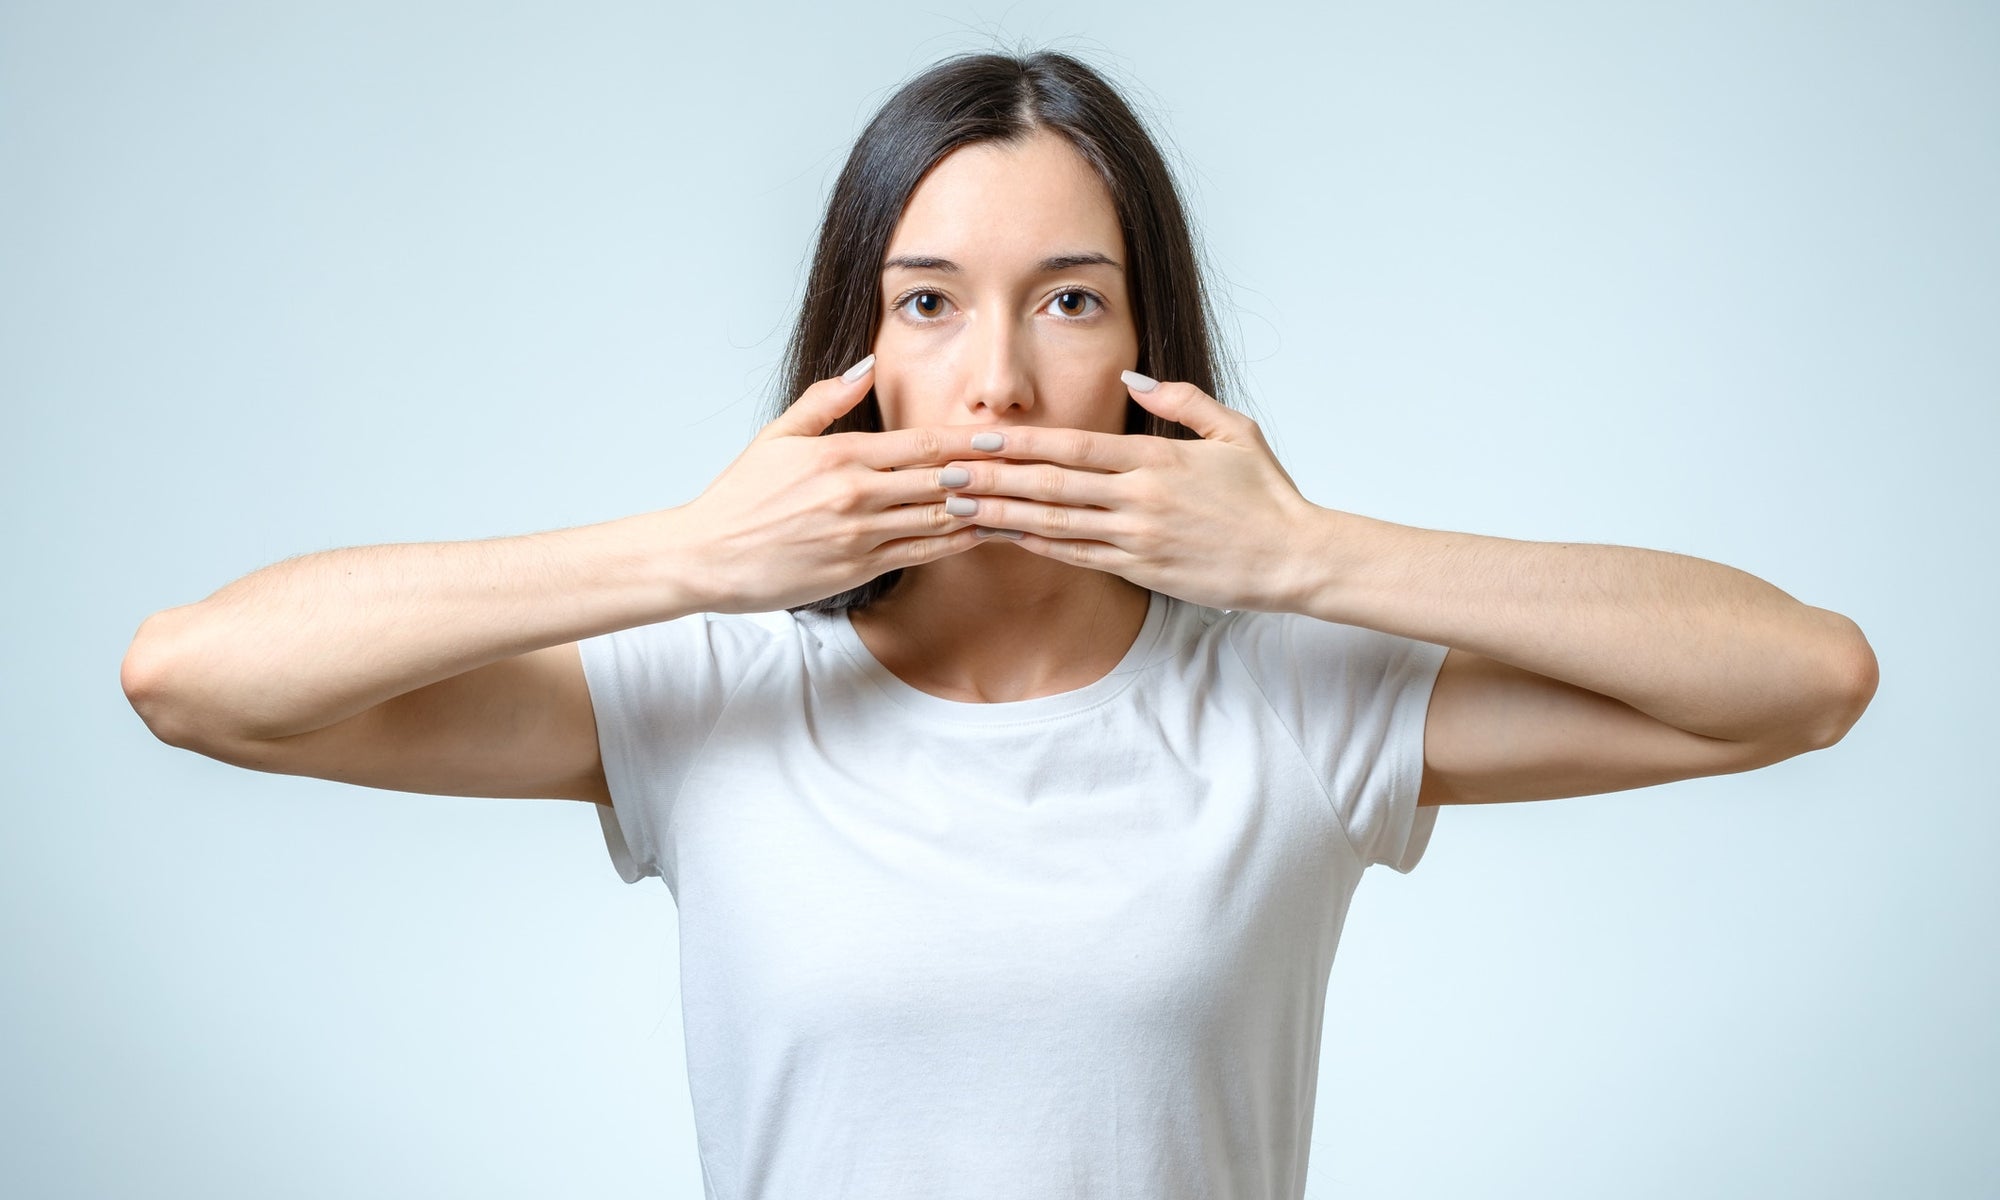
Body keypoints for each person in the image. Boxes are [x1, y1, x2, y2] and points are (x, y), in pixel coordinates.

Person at [121, 48, 1877, 1200]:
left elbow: (1804, 681)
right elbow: (194, 678)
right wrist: (687, 552)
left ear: (1147, 341)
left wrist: (1309, 556)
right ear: (859, 341)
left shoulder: (1288, 700)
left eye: (1071, 300)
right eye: (930, 303)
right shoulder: (709, 693)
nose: (1001, 385)